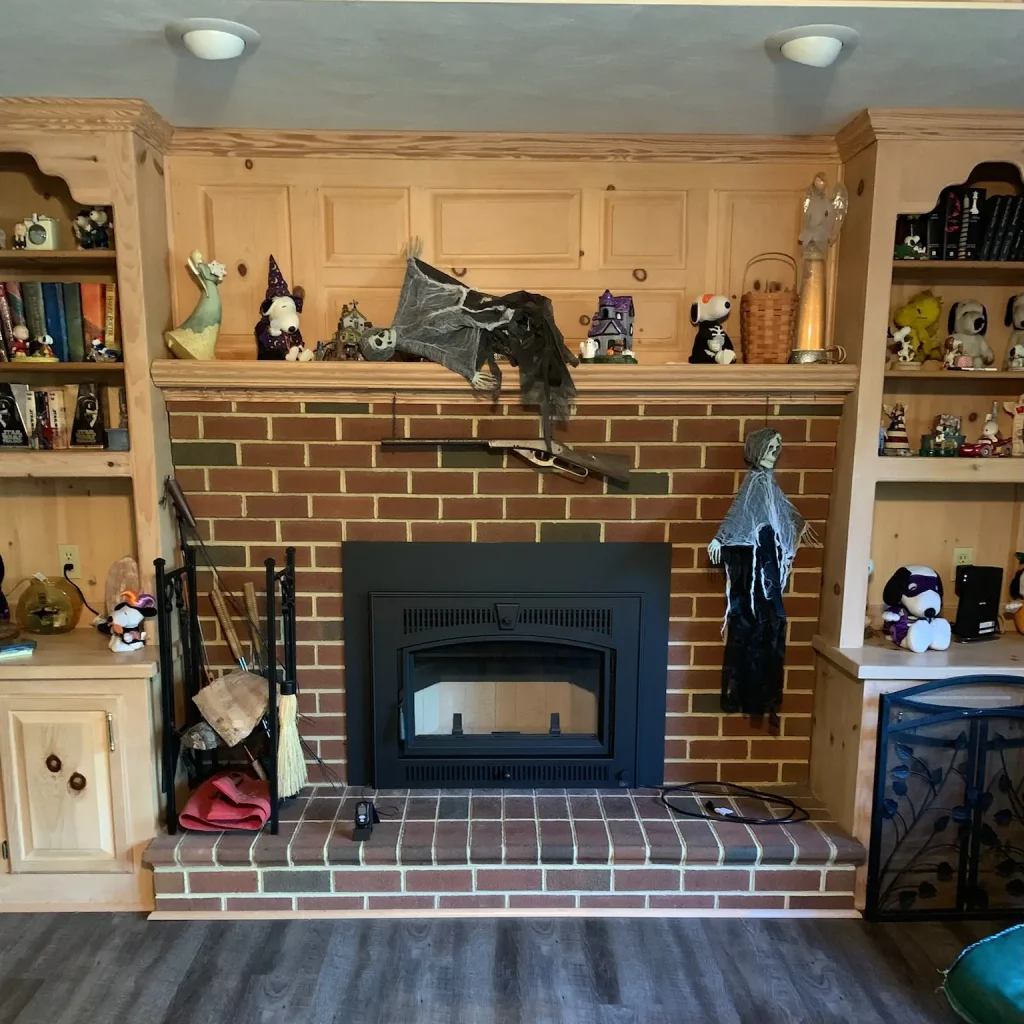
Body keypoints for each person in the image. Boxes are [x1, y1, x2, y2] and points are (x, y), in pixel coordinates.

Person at [708, 428, 815, 725]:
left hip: (768, 558)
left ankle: (760, 693)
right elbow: (738, 513)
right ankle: (751, 691)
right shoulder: (755, 482)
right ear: (757, 449)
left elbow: (781, 510)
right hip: (756, 563)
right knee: (754, 620)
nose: (775, 451)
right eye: (770, 446)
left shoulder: (768, 483)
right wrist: (720, 539)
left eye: (778, 446)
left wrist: (797, 524)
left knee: (768, 620)